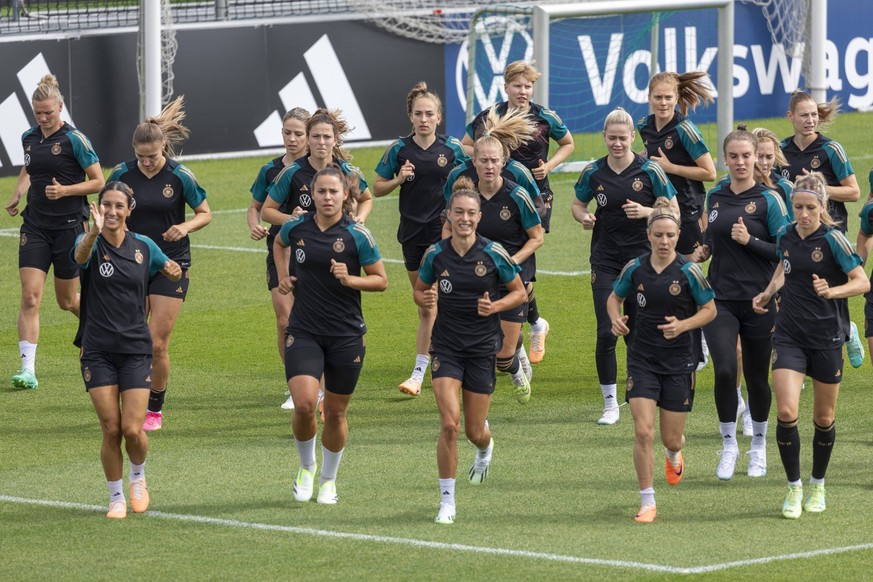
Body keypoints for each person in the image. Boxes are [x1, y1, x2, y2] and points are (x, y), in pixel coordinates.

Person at [752, 172, 868, 518]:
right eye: (798, 207)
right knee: (787, 412)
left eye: (810, 208)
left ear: (822, 207)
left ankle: (818, 483)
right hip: (788, 334)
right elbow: (784, 268)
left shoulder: (834, 240)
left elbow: (861, 282)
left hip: (827, 337)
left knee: (823, 417)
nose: (804, 214)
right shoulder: (786, 235)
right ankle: (793, 487)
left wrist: (831, 292)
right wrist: (769, 291)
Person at [415, 177, 526, 525]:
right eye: (459, 212)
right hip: (446, 347)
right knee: (449, 424)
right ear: (449, 215)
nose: (465, 218)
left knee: (473, 431)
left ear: (479, 217)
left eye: (471, 213)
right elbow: (420, 290)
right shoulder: (436, 254)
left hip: (481, 350)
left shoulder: (493, 253)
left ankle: (484, 449)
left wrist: (495, 308)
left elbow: (519, 293)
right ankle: (447, 501)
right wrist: (426, 297)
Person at [274, 166, 387, 505]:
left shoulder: (358, 236)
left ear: (344, 196)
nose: (326, 197)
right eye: (321, 192)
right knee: (306, 404)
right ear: (312, 194)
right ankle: (306, 467)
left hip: (346, 334)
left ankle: (328, 479)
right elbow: (279, 244)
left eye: (333, 192)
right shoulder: (296, 227)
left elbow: (380, 280)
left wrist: (351, 280)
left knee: (336, 413)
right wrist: (283, 276)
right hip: (304, 330)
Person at [72, 181, 182, 518]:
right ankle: (115, 496)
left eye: (119, 206)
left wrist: (172, 269)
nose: (112, 212)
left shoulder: (145, 246)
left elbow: (167, 267)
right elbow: (79, 257)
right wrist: (91, 233)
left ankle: (138, 477)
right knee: (111, 429)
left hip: (136, 349)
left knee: (133, 430)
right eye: (107, 205)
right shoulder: (87, 241)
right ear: (99, 208)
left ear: (129, 210)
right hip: (98, 351)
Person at [608, 198, 716, 523]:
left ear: (678, 234)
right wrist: (615, 319)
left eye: (670, 235)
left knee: (670, 437)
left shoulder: (689, 271)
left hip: (679, 362)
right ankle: (647, 501)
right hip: (642, 358)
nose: (664, 241)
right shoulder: (635, 268)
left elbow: (710, 310)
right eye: (658, 235)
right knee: (643, 433)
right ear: (649, 235)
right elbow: (615, 297)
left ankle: (673, 453)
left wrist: (682, 326)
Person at [107, 96, 212, 432]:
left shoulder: (181, 176)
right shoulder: (122, 174)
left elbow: (205, 213)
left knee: (156, 342)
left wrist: (184, 226)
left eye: (152, 157)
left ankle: (154, 407)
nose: (147, 163)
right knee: (131, 337)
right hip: (130, 264)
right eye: (141, 157)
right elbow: (109, 212)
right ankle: (130, 397)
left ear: (164, 147)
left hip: (172, 262)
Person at [692, 125, 790, 480]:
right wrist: (702, 250)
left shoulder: (770, 200)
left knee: (757, 377)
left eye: (746, 156)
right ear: (726, 159)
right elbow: (710, 238)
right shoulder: (715, 196)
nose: (740, 162)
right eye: (733, 156)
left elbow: (785, 251)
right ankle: (730, 445)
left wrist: (750, 240)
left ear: (755, 158)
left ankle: (759, 447)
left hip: (760, 301)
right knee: (723, 371)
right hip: (720, 299)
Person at [463, 60, 575, 364]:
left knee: (520, 267)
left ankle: (529, 329)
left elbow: (568, 143)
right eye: (517, 85)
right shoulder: (489, 117)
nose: (523, 91)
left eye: (528, 86)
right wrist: (484, 160)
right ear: (506, 87)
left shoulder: (545, 117)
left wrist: (550, 166)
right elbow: (464, 145)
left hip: (536, 195)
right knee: (502, 267)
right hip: (495, 195)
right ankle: (530, 327)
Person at [572, 107, 678, 426]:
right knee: (607, 331)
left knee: (636, 332)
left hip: (642, 264)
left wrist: (648, 212)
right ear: (604, 137)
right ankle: (609, 404)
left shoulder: (650, 171)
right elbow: (578, 204)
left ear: (633, 137)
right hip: (605, 260)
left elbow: (671, 209)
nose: (617, 143)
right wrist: (584, 217)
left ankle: (638, 394)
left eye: (623, 138)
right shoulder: (593, 172)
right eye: (612, 138)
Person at [6, 74, 104, 389]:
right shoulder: (29, 137)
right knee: (31, 297)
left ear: (60, 106)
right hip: (35, 226)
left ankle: (101, 329)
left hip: (69, 228)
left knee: (66, 301)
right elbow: (29, 166)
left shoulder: (76, 140)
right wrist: (18, 192)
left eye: (49, 112)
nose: (44, 118)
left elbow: (99, 181)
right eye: (38, 113)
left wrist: (66, 191)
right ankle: (28, 369)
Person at [373, 83, 467, 396]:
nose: (423, 119)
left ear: (439, 117)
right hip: (411, 235)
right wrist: (399, 179)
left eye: (429, 114)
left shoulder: (452, 148)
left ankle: (419, 372)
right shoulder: (399, 149)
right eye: (418, 114)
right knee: (423, 303)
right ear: (411, 117)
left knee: (436, 303)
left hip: (444, 237)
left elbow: (472, 180)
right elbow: (376, 187)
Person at [452, 109, 543, 404]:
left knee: (503, 353)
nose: (489, 166)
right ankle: (485, 397)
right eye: (483, 160)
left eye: (495, 160)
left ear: (503, 162)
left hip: (513, 277)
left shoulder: (517, 196)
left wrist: (512, 261)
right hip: (477, 275)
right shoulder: (466, 197)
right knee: (486, 348)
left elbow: (537, 237)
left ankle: (514, 362)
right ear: (474, 162)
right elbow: (447, 229)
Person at [248, 107, 311, 410]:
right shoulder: (271, 170)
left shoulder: (323, 170)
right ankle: (294, 385)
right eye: (287, 132)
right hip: (279, 249)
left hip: (315, 253)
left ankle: (319, 384)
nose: (292, 138)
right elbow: (255, 206)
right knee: (285, 321)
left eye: (298, 133)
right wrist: (254, 226)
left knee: (313, 320)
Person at [637, 71, 717, 257]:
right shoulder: (643, 125)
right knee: (658, 267)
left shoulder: (685, 129)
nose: (663, 102)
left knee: (687, 270)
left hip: (687, 208)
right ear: (649, 98)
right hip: (658, 205)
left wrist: (670, 168)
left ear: (676, 98)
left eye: (668, 97)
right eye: (658, 97)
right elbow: (649, 153)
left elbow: (709, 172)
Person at [262, 108, 372, 227]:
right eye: (316, 136)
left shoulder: (348, 171)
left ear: (335, 139)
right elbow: (266, 211)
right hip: (304, 243)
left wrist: (360, 218)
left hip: (339, 243)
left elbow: (366, 199)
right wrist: (292, 219)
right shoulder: (291, 172)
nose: (321, 142)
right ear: (308, 138)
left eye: (326, 137)